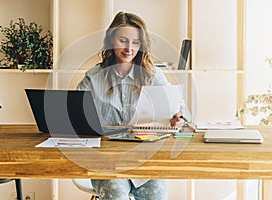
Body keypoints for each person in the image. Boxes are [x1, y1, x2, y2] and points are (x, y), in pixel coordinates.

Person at [77, 11, 189, 200]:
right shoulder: (93, 77)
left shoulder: (152, 74)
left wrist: (178, 118)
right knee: (116, 193)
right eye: (123, 40)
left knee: (156, 194)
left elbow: (181, 110)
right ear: (111, 41)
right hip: (106, 161)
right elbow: (74, 112)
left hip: (143, 160)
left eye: (135, 42)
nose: (129, 48)